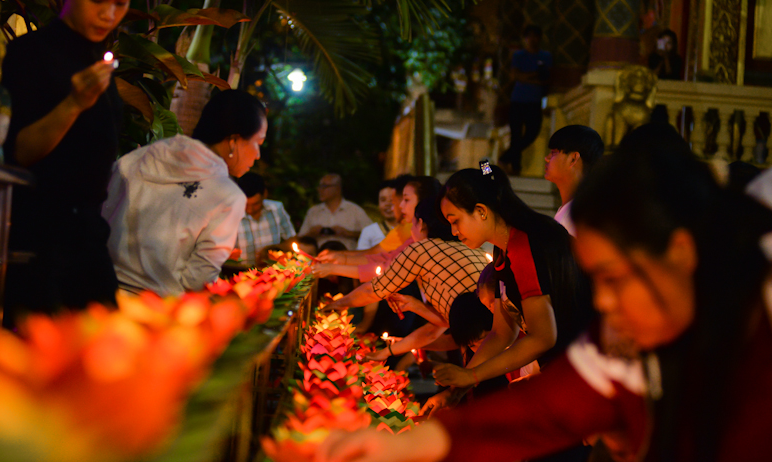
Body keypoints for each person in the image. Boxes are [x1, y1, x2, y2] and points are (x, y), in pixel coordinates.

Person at [317, 128, 772, 462]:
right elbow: (544, 407)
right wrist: (405, 445)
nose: (603, 303)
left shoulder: (529, 246)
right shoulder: (622, 335)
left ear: (680, 253)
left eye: (613, 279)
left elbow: (542, 339)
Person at [1, 0, 138, 324]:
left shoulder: (97, 63)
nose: (109, 15)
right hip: (38, 244)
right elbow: (19, 151)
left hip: (89, 242)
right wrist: (73, 104)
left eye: (121, 3)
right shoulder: (30, 54)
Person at [427, 163, 593, 415]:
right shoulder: (504, 250)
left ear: (481, 211)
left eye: (455, 221)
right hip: (566, 373)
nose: (454, 231)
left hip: (586, 372)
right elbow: (501, 333)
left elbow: (543, 337)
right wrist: (457, 389)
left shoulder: (525, 246)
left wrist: (472, 376)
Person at [102, 90, 266, 297]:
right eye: (258, 143)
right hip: (157, 308)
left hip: (97, 295)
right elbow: (198, 281)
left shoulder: (136, 159)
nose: (258, 155)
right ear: (233, 141)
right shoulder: (227, 196)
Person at [321, 197, 490, 358]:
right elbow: (436, 329)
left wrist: (337, 305)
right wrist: (389, 350)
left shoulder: (422, 249)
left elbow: (373, 290)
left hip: (487, 345)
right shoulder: (469, 250)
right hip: (493, 339)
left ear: (421, 224)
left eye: (406, 199)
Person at [500, 25, 552, 175]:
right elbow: (516, 76)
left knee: (532, 133)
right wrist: (534, 76)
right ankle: (516, 168)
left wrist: (526, 77)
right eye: (529, 36)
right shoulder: (519, 56)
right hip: (518, 100)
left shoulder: (545, 56)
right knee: (515, 135)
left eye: (535, 36)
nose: (532, 39)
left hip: (534, 101)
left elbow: (545, 78)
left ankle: (505, 158)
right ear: (525, 39)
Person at [543, 125, 604, 236]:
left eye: (554, 152)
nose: (547, 158)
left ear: (573, 159)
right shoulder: (571, 209)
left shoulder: (581, 215)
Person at [234, 172, 296, 267]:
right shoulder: (231, 215)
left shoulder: (276, 209)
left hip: (274, 271)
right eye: (246, 204)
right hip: (240, 271)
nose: (250, 210)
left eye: (256, 204)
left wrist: (273, 249)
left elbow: (292, 239)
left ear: (265, 194)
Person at [299, 174, 372, 250]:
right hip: (319, 255)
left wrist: (349, 233)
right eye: (319, 186)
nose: (319, 190)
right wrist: (311, 233)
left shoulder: (354, 210)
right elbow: (300, 238)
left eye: (324, 186)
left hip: (348, 255)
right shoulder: (313, 211)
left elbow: (373, 235)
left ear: (337, 188)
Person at [357, 181, 398, 250]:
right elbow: (362, 255)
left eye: (392, 200)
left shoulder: (412, 229)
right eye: (383, 200)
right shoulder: (369, 231)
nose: (387, 204)